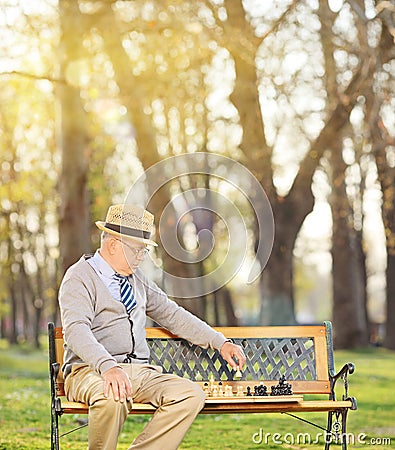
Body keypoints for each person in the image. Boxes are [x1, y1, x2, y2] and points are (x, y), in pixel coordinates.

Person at [59, 204, 246, 450]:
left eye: (144, 251)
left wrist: (219, 341)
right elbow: (75, 330)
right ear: (114, 245)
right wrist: (108, 367)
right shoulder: (79, 277)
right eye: (137, 250)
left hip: (139, 372)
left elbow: (172, 314)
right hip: (91, 371)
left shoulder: (137, 281)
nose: (141, 258)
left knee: (190, 395)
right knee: (111, 396)